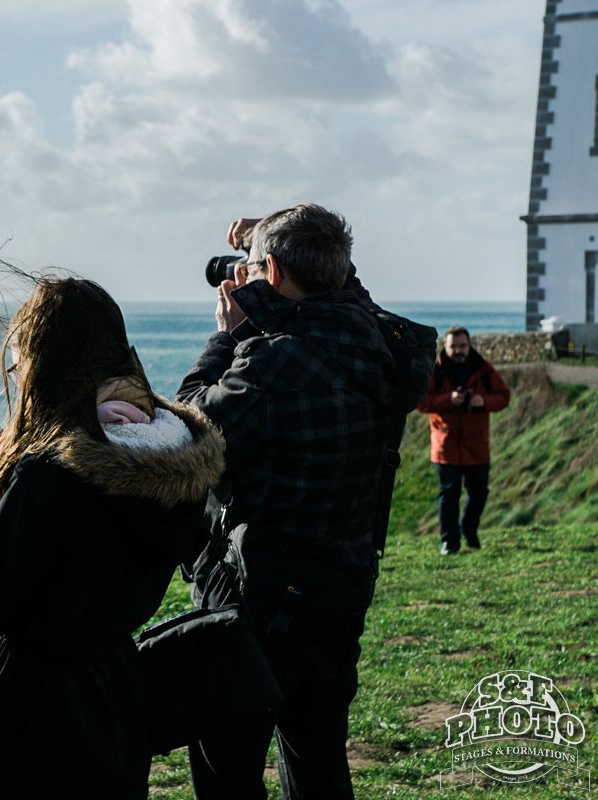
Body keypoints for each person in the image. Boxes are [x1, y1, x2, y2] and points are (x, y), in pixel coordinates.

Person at [0, 275, 225, 799]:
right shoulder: (165, 459)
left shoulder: (50, 476)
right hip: (114, 699)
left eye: (21, 362)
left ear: (45, 364)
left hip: (25, 717)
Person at [176, 205, 436, 799]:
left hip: (258, 590)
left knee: (226, 765)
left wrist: (228, 336)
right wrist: (278, 252)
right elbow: (339, 283)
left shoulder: (273, 360)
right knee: (317, 758)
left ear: (270, 268)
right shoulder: (377, 340)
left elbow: (188, 431)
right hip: (341, 583)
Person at [416, 326, 510, 554]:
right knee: (449, 494)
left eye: (462, 346)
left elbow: (504, 396)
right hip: (446, 445)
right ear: (445, 347)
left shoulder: (483, 369)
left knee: (479, 493)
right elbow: (421, 402)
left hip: (476, 445)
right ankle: (450, 541)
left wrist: (482, 401)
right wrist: (449, 399)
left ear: (469, 346)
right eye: (453, 346)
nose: (458, 350)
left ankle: (469, 530)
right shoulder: (435, 371)